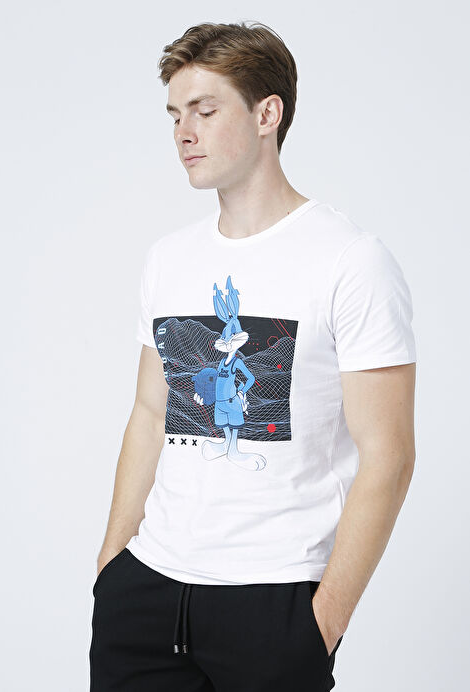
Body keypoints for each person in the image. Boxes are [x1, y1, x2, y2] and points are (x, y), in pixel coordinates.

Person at [89, 20, 417, 692]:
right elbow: (150, 413)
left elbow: (389, 455)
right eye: (175, 115)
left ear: (267, 114)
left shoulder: (350, 261)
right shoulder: (168, 258)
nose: (184, 133)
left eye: (205, 111)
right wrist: (111, 566)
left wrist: (321, 624)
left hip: (273, 602)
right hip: (146, 593)